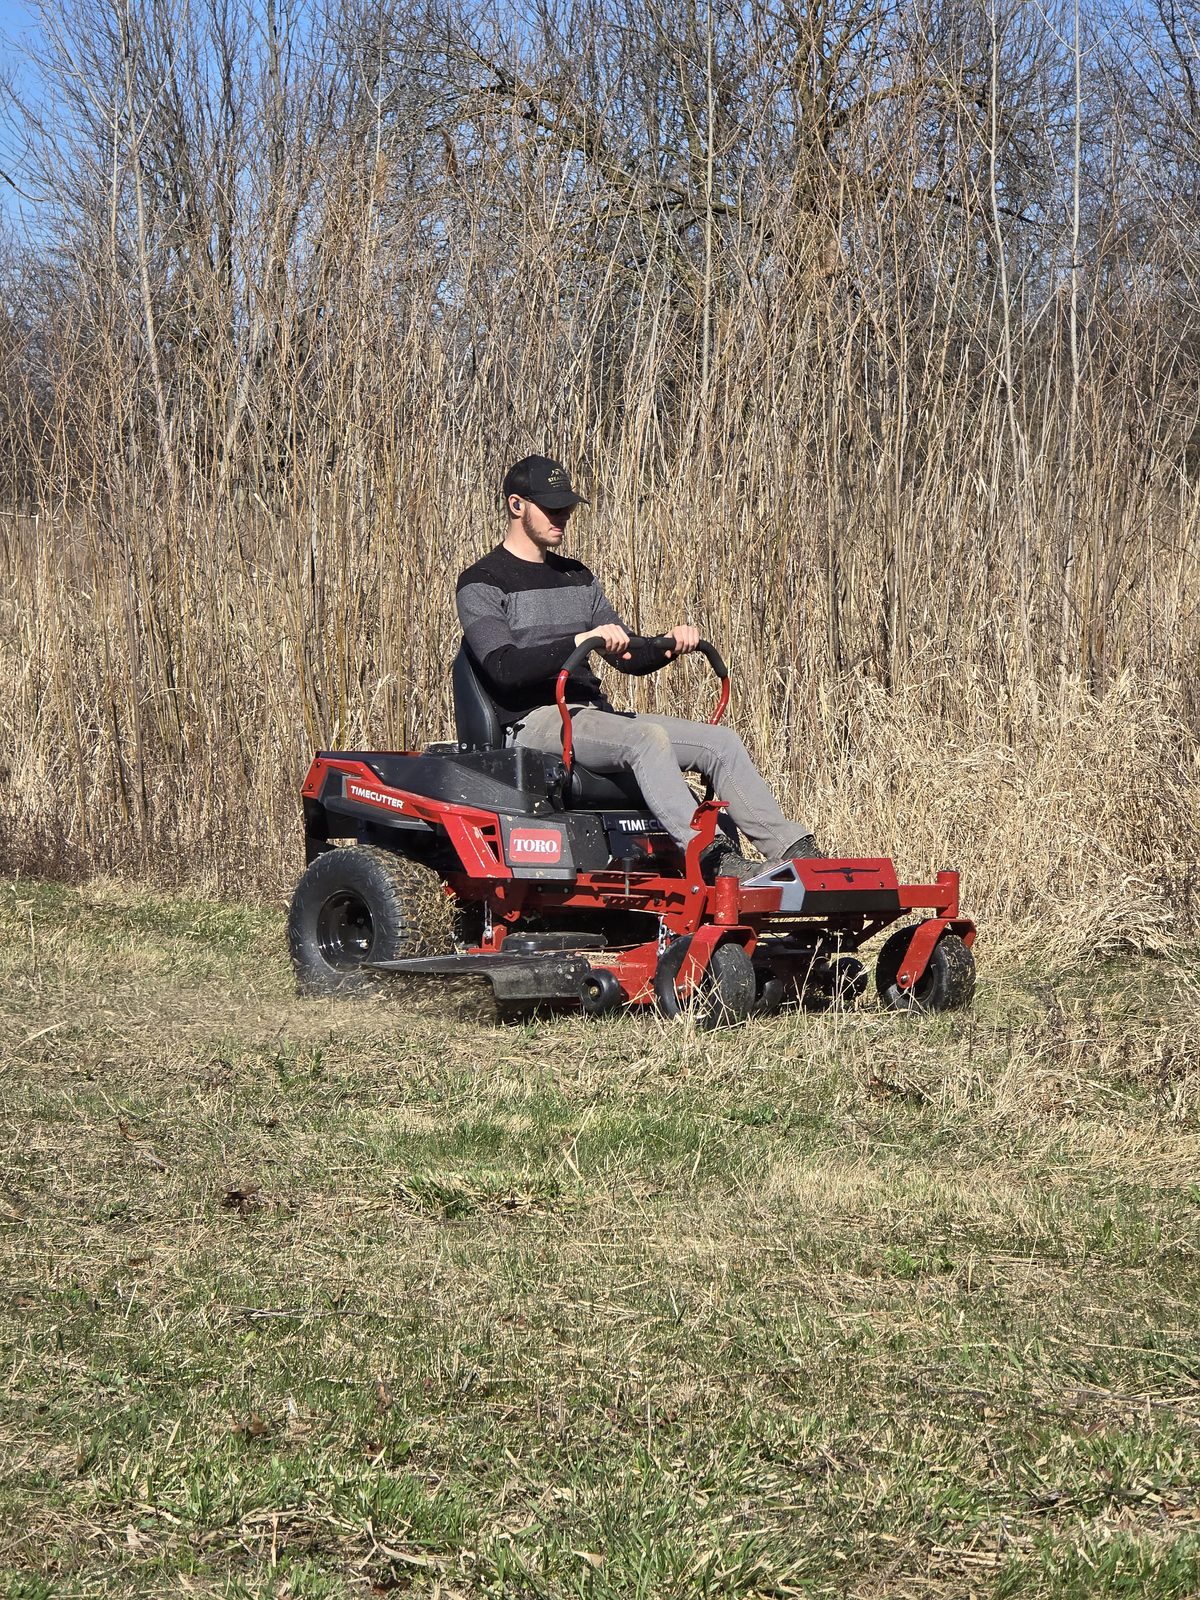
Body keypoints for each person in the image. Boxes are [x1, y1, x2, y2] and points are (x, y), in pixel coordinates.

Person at [455, 454, 823, 877]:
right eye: (552, 508)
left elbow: (627, 655)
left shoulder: (578, 578)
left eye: (567, 508)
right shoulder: (481, 582)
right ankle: (713, 859)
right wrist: (574, 642)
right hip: (532, 721)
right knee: (645, 738)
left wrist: (669, 644)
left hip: (589, 718)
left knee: (720, 742)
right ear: (516, 506)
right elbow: (503, 667)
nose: (563, 517)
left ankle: (800, 855)